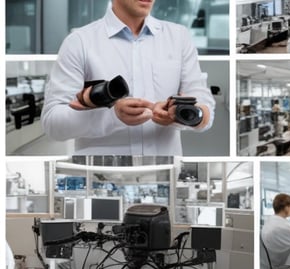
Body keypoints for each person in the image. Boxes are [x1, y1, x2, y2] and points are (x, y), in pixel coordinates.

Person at [41, 0, 215, 155]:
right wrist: (113, 117)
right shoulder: (79, 42)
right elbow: (52, 124)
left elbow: (204, 109)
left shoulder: (179, 37)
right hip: (99, 176)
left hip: (163, 173)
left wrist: (180, 114)